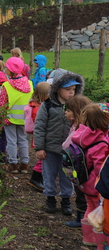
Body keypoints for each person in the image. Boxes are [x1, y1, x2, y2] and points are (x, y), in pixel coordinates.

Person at [34, 71, 84, 215]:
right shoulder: (48, 105)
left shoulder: (76, 106)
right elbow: (40, 126)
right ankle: (50, 198)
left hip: (69, 151)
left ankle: (66, 199)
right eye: (68, 90)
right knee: (49, 174)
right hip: (49, 149)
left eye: (74, 90)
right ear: (57, 89)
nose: (71, 93)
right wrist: (39, 147)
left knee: (67, 176)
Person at [71, 104, 109, 248]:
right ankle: (101, 244)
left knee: (90, 209)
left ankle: (88, 238)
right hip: (96, 186)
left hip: (83, 182)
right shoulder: (101, 143)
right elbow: (101, 168)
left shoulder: (81, 136)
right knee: (101, 218)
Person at [0, 57, 33, 173]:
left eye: (6, 68)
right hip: (24, 118)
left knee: (11, 141)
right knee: (23, 140)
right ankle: (25, 164)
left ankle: (13, 164)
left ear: (10, 70)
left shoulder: (7, 85)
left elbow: (2, 104)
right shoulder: (30, 84)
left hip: (10, 118)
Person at [61, 95, 94, 230]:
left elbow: (68, 143)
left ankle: (82, 219)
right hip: (82, 166)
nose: (65, 112)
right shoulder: (82, 126)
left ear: (76, 111)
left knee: (81, 192)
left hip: (82, 167)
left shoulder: (80, 128)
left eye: (68, 110)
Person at [25, 82, 51, 192]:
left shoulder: (36, 105)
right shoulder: (39, 108)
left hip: (41, 136)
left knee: (45, 157)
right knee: (44, 158)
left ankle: (39, 178)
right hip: (42, 136)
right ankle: (35, 178)